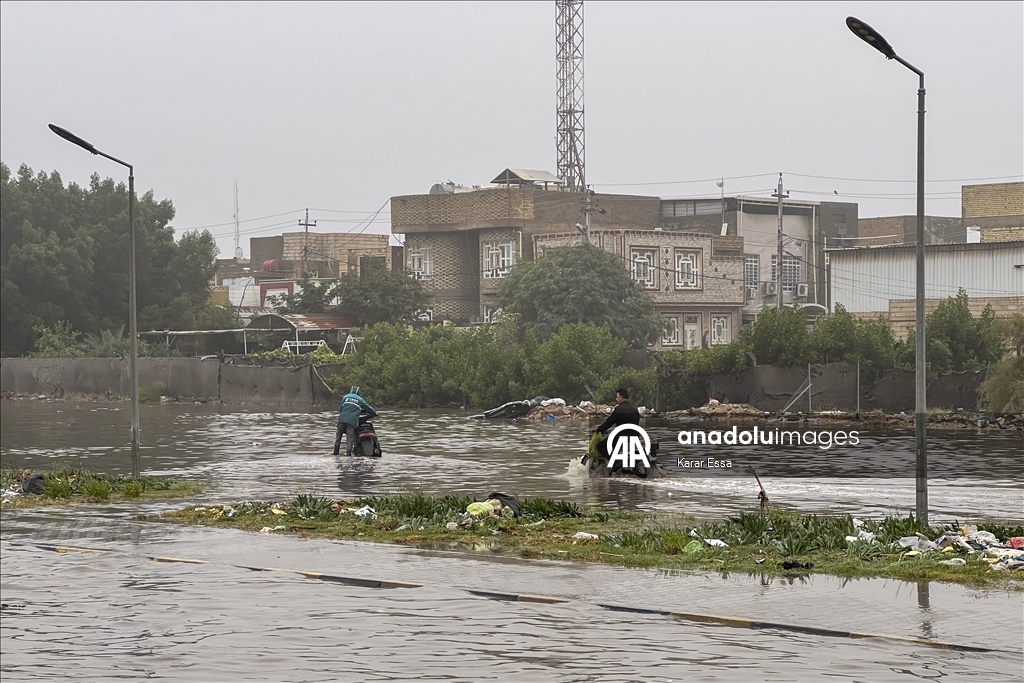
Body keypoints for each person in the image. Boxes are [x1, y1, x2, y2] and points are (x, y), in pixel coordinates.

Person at [589, 388, 641, 465]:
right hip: (635, 435)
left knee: (600, 446)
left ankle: (616, 462)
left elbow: (609, 422)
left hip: (623, 435)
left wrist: (599, 429)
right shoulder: (634, 409)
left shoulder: (619, 409)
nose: (616, 399)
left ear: (622, 397)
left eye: (617, 397)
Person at [333, 386, 377, 456]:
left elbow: (340, 409)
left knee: (338, 439)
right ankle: (348, 456)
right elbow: (369, 409)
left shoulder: (345, 397)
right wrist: (374, 413)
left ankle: (335, 454)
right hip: (351, 422)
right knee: (349, 440)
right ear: (359, 392)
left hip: (341, 421)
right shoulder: (360, 399)